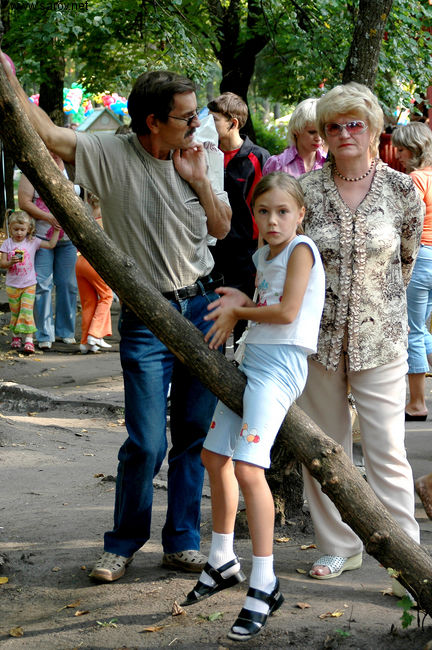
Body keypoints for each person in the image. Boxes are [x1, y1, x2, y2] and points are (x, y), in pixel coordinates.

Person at [0, 56, 231, 580]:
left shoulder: (204, 154)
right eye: (187, 116)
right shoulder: (111, 152)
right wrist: (9, 76)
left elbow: (221, 228)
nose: (198, 123)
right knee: (146, 441)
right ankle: (123, 543)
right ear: (152, 121)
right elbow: (49, 135)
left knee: (193, 433)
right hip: (147, 317)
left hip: (202, 309)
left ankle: (182, 542)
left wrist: (199, 180)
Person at [181, 173, 325, 641]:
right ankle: (222, 559)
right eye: (263, 212)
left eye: (282, 211)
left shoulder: (302, 249)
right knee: (213, 456)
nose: (272, 220)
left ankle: (265, 583)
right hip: (250, 361)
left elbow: (286, 312)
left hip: (279, 369)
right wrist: (244, 300)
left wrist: (239, 312)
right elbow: (267, 302)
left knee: (248, 467)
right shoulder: (264, 254)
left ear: (300, 214)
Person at [296, 82, 424, 597]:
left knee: (387, 450)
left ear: (373, 129)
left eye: (355, 123)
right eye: (334, 125)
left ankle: (407, 559)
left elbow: (406, 261)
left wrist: (376, 308)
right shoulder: (305, 191)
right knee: (324, 449)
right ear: (323, 134)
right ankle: (338, 545)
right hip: (318, 340)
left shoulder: (401, 190)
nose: (344, 133)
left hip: (382, 340)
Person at [207, 92, 270, 346]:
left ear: (233, 123)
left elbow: (265, 209)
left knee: (244, 327)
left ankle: (242, 369)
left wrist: (263, 256)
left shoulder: (259, 157)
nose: (207, 125)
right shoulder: (207, 154)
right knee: (214, 322)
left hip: (246, 256)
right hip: (212, 252)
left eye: (214, 120)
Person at [18, 152, 80, 349]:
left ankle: (65, 331)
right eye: (48, 147)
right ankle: (44, 334)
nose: (53, 151)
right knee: (42, 284)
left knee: (68, 284)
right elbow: (24, 202)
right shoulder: (32, 169)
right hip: (41, 238)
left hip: (68, 239)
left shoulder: (72, 167)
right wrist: (48, 217)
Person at [391, 123, 432, 421]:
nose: (399, 155)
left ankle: (417, 404)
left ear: (416, 150)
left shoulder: (416, 179)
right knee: (423, 328)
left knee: (414, 331)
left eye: (402, 150)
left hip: (422, 257)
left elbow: (408, 223)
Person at [0, 210, 60, 354]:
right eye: (16, 229)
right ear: (10, 228)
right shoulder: (7, 243)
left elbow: (51, 245)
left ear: (29, 229)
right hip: (12, 285)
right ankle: (16, 336)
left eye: (22, 229)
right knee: (15, 312)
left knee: (26, 311)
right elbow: (2, 263)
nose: (19, 233)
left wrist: (57, 230)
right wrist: (10, 262)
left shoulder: (32, 241)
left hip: (28, 285)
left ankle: (29, 340)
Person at [76, 194, 113, 354]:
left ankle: (85, 342)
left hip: (80, 261)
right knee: (107, 296)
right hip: (95, 263)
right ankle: (95, 333)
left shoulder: (85, 215)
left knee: (89, 302)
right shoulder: (106, 219)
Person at [262, 98, 326, 178]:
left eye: (322, 132)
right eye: (312, 132)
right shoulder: (277, 164)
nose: (318, 138)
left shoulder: (330, 164)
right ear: (296, 130)